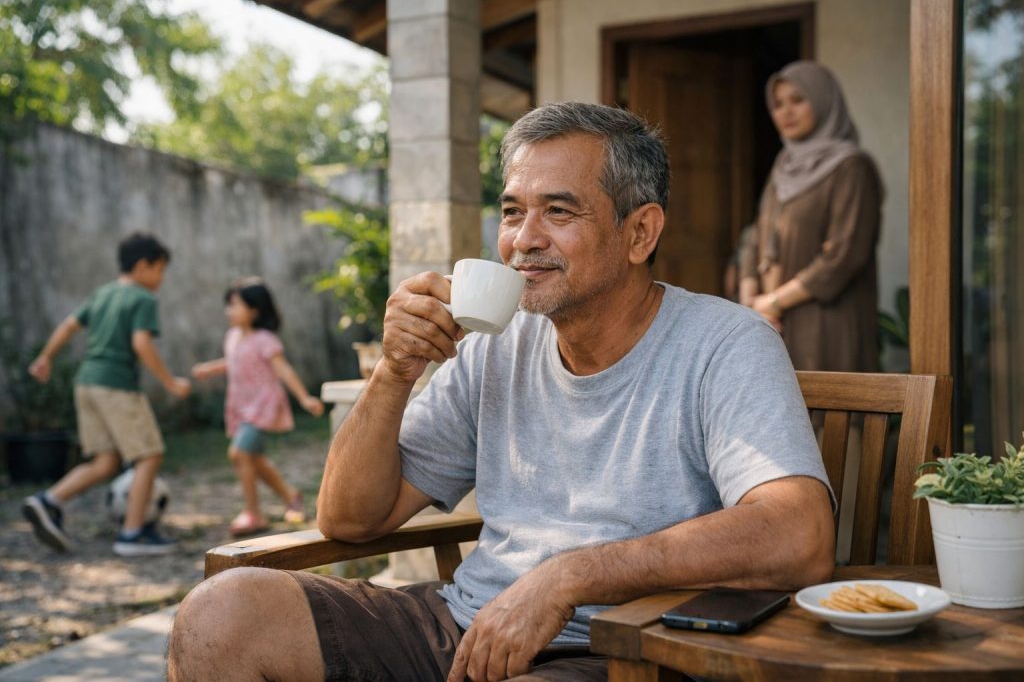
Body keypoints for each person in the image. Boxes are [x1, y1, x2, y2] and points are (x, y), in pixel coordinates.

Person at [168, 102, 836, 682]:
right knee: (220, 615)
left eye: (558, 210)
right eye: (512, 210)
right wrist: (394, 372)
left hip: (622, 651)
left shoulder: (725, 342)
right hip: (466, 625)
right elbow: (349, 519)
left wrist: (568, 577)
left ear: (640, 233)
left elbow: (797, 534)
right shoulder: (495, 343)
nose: (523, 240)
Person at [22, 232, 191, 557]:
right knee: (149, 454)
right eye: (160, 270)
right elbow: (141, 343)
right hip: (116, 385)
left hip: (86, 383)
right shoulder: (142, 298)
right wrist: (170, 382)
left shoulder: (102, 293)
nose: (161, 278)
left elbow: (69, 326)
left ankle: (47, 501)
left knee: (105, 461)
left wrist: (46, 357)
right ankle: (133, 533)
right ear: (143, 266)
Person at [739, 60, 884, 372]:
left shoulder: (851, 168)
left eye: (798, 100)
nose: (786, 112)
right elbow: (756, 236)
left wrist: (774, 301)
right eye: (778, 104)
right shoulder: (783, 167)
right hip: (773, 324)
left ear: (823, 101)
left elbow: (845, 255)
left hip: (826, 324)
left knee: (827, 417)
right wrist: (751, 305)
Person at [191, 277, 325, 536]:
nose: (229, 311)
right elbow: (235, 361)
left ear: (254, 309)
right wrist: (210, 369)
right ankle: (291, 496)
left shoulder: (265, 340)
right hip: (241, 405)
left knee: (239, 454)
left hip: (262, 404)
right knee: (254, 459)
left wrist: (304, 397)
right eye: (228, 305)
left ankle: (253, 513)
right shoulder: (231, 337)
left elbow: (282, 369)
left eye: (235, 305)